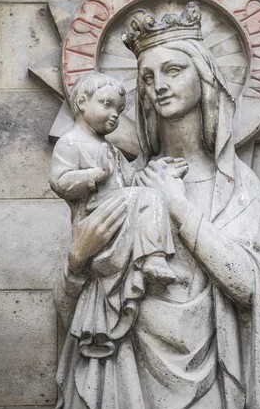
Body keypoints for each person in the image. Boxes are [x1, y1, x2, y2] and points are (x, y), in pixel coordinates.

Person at [54, 2, 260, 409]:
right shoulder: (123, 187)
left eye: (174, 70)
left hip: (210, 383)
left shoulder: (235, 186)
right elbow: (76, 316)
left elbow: (251, 288)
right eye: (147, 76)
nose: (158, 85)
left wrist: (177, 206)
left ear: (204, 76)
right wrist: (74, 263)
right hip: (122, 372)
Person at [51, 72, 185, 359]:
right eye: (107, 104)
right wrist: (92, 176)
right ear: (83, 102)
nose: (114, 115)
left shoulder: (110, 149)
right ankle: (152, 257)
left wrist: (161, 169)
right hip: (96, 217)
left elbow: (130, 179)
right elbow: (60, 182)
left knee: (150, 195)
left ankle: (153, 258)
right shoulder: (71, 143)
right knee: (147, 197)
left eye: (119, 110)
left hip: (120, 215)